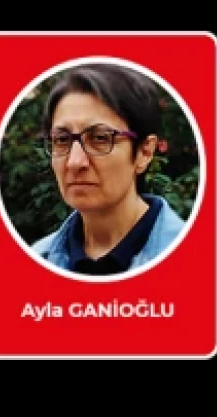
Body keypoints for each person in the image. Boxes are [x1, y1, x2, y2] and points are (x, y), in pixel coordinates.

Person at [30, 63, 184, 276]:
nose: (74, 162)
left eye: (100, 138)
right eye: (62, 140)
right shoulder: (38, 259)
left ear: (145, 152)